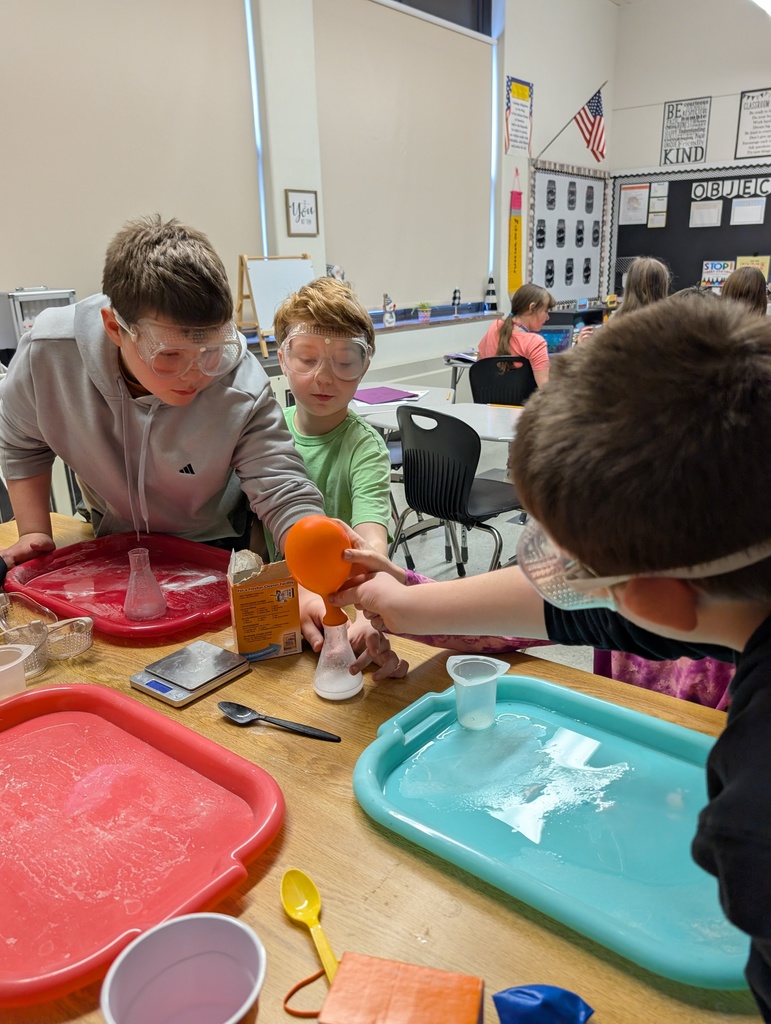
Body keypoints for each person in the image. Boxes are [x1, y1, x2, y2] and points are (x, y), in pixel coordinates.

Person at [330, 293, 771, 1019]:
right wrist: (405, 604)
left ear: (655, 596)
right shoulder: (734, 566)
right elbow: (592, 610)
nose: (555, 574)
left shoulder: (752, 820)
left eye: (574, 565)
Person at [0, 215, 325, 567]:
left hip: (216, 540)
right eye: (170, 355)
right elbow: (22, 444)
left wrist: (314, 546)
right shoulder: (49, 355)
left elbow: (280, 485)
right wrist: (34, 531)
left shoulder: (241, 384)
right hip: (112, 536)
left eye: (212, 351)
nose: (196, 373)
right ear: (115, 328)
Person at [272, 276, 407, 680]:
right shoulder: (265, 435)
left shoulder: (364, 448)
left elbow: (370, 541)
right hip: (274, 607)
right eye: (306, 358)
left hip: (341, 614)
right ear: (283, 360)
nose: (325, 377)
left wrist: (370, 613)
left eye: (345, 361)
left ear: (364, 367)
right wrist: (293, 592)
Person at [477, 283, 555, 388]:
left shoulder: (495, 327)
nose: (548, 317)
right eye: (545, 311)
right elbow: (545, 389)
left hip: (488, 398)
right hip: (525, 399)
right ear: (532, 308)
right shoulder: (535, 342)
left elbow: (479, 367)